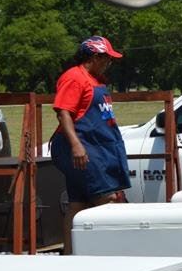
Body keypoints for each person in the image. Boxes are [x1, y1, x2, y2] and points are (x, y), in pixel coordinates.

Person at [49, 36, 131, 254]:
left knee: (78, 204)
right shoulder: (74, 77)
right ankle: (112, 256)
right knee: (108, 200)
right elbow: (64, 113)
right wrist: (76, 146)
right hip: (77, 148)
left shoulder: (98, 80)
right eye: (107, 58)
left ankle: (70, 258)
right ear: (95, 57)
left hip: (96, 147)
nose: (109, 63)